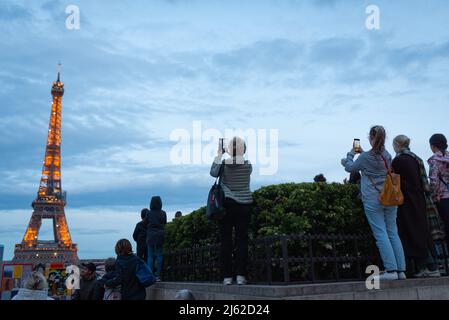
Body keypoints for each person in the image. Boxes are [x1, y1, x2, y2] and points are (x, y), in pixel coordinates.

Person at [342, 126, 406, 281]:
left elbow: (350, 167)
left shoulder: (364, 157)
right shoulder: (387, 154)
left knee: (381, 233)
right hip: (389, 197)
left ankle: (391, 271)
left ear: (371, 138)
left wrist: (350, 154)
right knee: (393, 232)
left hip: (373, 198)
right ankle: (401, 271)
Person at [392, 135, 441, 277]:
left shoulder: (399, 160)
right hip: (420, 199)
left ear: (397, 144)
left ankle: (426, 266)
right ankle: (433, 265)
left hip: (406, 201)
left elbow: (394, 180)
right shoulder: (415, 158)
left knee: (412, 233)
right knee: (422, 231)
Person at [210, 136, 253, 286]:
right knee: (242, 241)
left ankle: (227, 277)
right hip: (245, 205)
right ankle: (241, 276)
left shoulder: (224, 164)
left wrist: (219, 154)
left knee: (226, 242)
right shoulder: (248, 166)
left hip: (227, 205)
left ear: (229, 149)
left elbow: (213, 173)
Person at [428, 134, 449, 249]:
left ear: (433, 146)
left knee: (446, 226)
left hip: (443, 198)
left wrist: (432, 196)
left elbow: (434, 181)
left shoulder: (435, 160)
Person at [145, 196, 167, 282]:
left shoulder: (149, 213)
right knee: (159, 255)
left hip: (150, 234)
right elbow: (164, 222)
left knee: (150, 256)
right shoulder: (163, 213)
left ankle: (150, 274)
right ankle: (158, 275)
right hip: (160, 234)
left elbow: (146, 223)